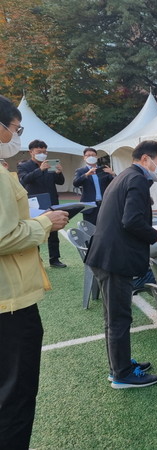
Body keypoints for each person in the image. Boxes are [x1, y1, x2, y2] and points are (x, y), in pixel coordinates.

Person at [0, 95, 69, 449]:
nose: (17, 135)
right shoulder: (4, 172)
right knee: (15, 396)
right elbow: (4, 235)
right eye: (15, 128)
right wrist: (43, 223)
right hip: (10, 302)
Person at [86, 140, 157, 389]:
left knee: (114, 318)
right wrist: (155, 234)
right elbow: (131, 221)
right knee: (119, 319)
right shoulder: (137, 180)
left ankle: (119, 365)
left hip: (109, 257)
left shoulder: (125, 176)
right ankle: (121, 374)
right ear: (146, 159)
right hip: (115, 259)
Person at [17, 140, 67, 268]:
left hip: (52, 201)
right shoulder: (24, 166)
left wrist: (59, 172)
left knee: (54, 231)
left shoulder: (50, 165)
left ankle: (54, 259)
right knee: (34, 230)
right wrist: (40, 170)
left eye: (45, 151)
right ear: (31, 152)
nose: (43, 154)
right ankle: (36, 260)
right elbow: (24, 180)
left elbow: (60, 182)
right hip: (35, 203)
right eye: (39, 152)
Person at [72, 147, 116, 225]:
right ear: (84, 157)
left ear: (97, 157)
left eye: (93, 155)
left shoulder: (104, 170)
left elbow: (116, 182)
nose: (91, 157)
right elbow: (76, 183)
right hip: (89, 205)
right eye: (88, 155)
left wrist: (112, 173)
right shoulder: (81, 171)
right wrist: (86, 174)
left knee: (105, 227)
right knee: (90, 229)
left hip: (104, 204)